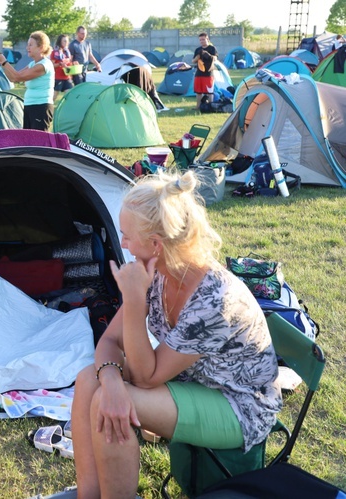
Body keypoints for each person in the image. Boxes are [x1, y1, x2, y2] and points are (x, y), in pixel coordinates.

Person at [70, 171, 282, 498]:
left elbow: (145, 378)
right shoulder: (157, 272)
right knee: (89, 381)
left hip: (239, 406)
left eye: (127, 236)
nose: (122, 244)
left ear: (155, 244)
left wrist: (134, 299)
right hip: (196, 383)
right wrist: (110, 381)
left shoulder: (213, 301)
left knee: (106, 402)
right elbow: (110, 342)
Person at [0, 31, 55, 131]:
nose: (27, 48)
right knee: (29, 143)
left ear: (41, 47)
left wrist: (5, 61)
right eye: (27, 45)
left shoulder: (44, 65)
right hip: (29, 106)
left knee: (39, 143)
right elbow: (13, 78)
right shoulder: (32, 64)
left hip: (41, 108)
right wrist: (2, 62)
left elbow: (18, 76)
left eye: (31, 45)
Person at [192, 32, 218, 110]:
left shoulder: (212, 48)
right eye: (200, 40)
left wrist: (209, 55)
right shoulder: (198, 49)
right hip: (199, 73)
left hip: (209, 73)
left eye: (203, 39)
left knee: (209, 91)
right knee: (198, 91)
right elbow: (193, 61)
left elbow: (216, 58)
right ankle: (198, 106)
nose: (202, 41)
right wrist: (198, 57)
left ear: (207, 39)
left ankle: (210, 106)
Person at [51, 34, 74, 100]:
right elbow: (51, 65)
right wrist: (60, 64)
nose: (66, 43)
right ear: (60, 42)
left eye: (67, 41)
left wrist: (73, 65)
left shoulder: (67, 52)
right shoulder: (55, 52)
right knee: (54, 96)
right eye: (64, 41)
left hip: (67, 77)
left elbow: (69, 63)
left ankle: (67, 109)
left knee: (70, 96)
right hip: (58, 78)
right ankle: (47, 108)